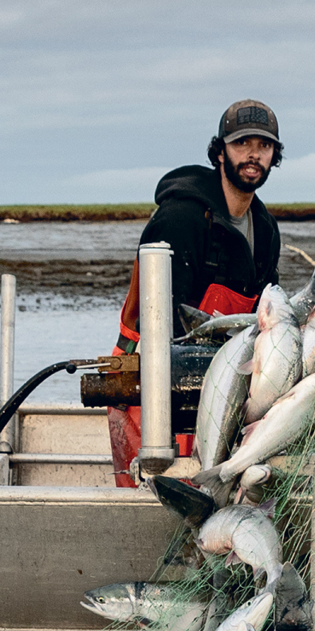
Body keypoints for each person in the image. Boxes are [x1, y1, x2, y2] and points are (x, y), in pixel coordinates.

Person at [107, 99, 285, 480]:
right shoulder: (181, 217)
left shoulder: (266, 229)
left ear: (274, 157)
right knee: (151, 490)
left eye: (265, 146)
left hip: (220, 379)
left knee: (213, 488)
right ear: (220, 152)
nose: (253, 155)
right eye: (242, 144)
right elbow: (162, 318)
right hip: (148, 375)